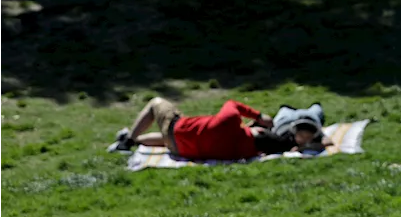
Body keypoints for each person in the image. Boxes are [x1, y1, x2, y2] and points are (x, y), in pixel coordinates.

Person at [108, 97, 329, 160]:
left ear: (260, 131)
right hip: (182, 150)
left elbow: (232, 104)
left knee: (156, 104)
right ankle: (133, 139)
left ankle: (127, 142)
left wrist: (258, 117)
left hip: (179, 130)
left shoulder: (230, 122)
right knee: (172, 139)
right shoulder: (247, 151)